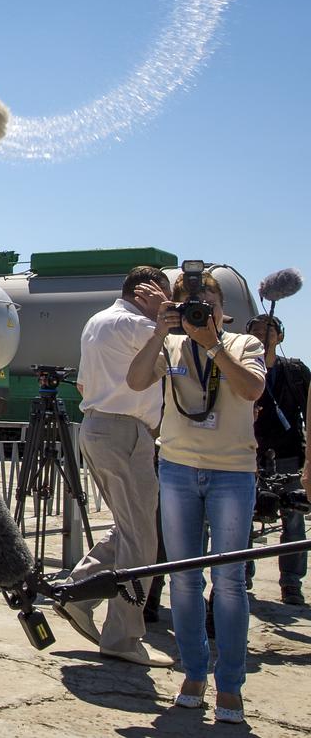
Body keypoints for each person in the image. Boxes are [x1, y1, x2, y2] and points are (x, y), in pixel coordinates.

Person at [127, 270, 266, 724]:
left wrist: (213, 344)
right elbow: (134, 380)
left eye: (207, 304)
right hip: (180, 468)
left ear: (223, 309)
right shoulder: (169, 346)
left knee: (228, 582)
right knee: (183, 578)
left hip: (232, 472)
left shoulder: (245, 345)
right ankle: (192, 673)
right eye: (191, 306)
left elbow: (251, 389)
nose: (200, 313)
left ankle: (230, 685)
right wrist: (159, 331)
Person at [55, 267, 175, 666]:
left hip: (100, 427)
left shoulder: (99, 321)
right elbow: (183, 358)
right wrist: (164, 317)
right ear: (148, 293)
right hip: (126, 432)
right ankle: (122, 637)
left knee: (129, 529)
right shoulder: (138, 325)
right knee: (142, 541)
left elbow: (84, 385)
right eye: (164, 297)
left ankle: (76, 592)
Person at [247, 313, 309, 604]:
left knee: (294, 522)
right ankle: (242, 574)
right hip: (247, 455)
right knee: (241, 520)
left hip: (287, 455)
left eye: (269, 329)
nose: (262, 333)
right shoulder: (241, 367)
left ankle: (291, 583)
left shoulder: (295, 371)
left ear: (280, 336)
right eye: (256, 329)